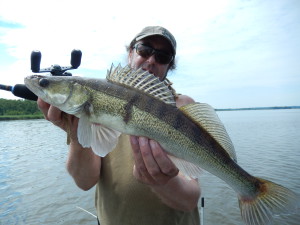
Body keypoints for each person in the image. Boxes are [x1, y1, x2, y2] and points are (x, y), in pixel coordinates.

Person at [38, 26, 201, 225]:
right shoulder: (96, 104)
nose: (151, 60)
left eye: (163, 56)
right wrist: (76, 133)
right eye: (144, 50)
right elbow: (85, 182)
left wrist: (164, 183)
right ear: (131, 53)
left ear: (169, 66)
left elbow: (190, 199)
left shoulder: (182, 109)